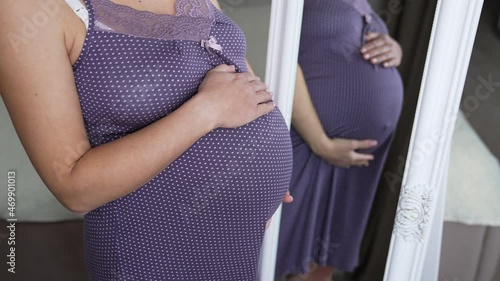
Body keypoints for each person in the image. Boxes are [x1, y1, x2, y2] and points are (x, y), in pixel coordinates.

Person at [0, 0, 293, 280]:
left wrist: (257, 174)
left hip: (237, 238)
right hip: (153, 250)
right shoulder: (27, 9)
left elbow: (237, 75)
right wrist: (207, 111)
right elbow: (73, 187)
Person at [275, 0, 404, 280]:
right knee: (278, 255)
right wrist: (322, 143)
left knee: (321, 265)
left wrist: (394, 48)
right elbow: (279, 59)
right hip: (306, 143)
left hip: (352, 162)